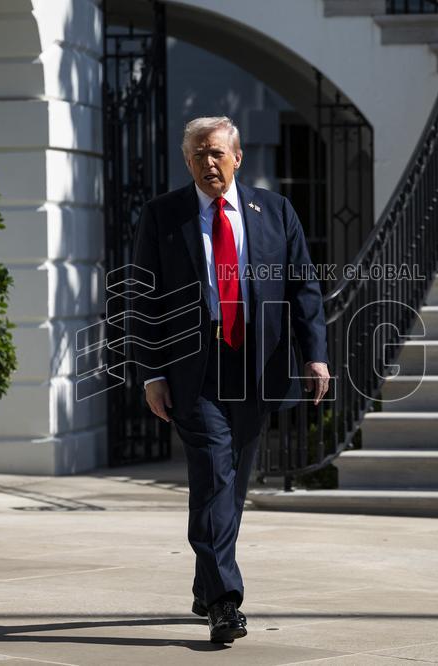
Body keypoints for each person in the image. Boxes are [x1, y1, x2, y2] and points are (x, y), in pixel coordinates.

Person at [130, 115, 330, 644]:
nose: (207, 162)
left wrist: (316, 357)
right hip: (192, 370)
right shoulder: (163, 216)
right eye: (197, 154)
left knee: (232, 484)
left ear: (237, 157)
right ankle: (224, 601)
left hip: (255, 368)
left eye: (216, 152)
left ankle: (204, 582)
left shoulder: (275, 211)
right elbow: (142, 298)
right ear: (187, 160)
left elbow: (303, 288)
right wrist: (151, 371)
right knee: (215, 473)